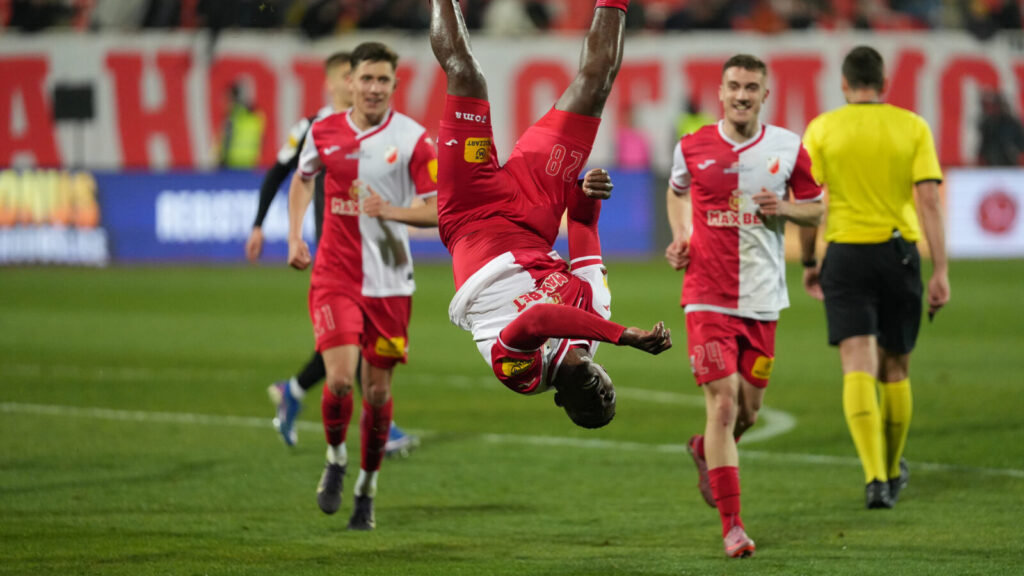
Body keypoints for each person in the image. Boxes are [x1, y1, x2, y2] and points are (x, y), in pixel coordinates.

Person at [430, 0, 671, 432]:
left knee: (467, 77)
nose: (600, 397)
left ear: (563, 402)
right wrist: (590, 192)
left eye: (590, 408)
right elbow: (581, 224)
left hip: (470, 215)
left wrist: (623, 335)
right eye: (609, 398)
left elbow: (539, 319)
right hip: (535, 212)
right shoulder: (596, 306)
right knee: (595, 85)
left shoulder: (523, 375)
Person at [665, 54, 823, 558]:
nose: (741, 95)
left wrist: (789, 209)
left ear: (764, 95)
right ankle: (733, 526)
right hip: (705, 295)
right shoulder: (692, 146)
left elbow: (819, 205)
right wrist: (681, 236)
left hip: (762, 299)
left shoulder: (787, 147)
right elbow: (677, 192)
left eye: (751, 88)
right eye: (733, 86)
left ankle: (702, 450)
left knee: (749, 413)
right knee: (724, 401)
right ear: (720, 91)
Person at [287, 41, 439, 530]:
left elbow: (438, 208)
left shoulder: (415, 140)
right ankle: (335, 458)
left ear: (395, 85)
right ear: (349, 81)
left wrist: (391, 211)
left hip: (391, 282)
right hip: (335, 274)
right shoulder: (324, 131)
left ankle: (366, 490)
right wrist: (294, 235)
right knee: (337, 378)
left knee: (376, 394)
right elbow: (302, 178)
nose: (374, 88)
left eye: (383, 80)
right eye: (366, 79)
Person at [247, 51, 419, 457]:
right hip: (335, 254)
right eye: (352, 77)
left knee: (350, 342)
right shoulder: (314, 128)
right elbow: (281, 173)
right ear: (337, 82)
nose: (361, 85)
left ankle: (293, 391)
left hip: (377, 253)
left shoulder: (386, 132)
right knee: (354, 341)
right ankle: (378, 429)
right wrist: (261, 225)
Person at [800, 45, 950, 509]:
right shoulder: (913, 126)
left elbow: (808, 203)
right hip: (897, 252)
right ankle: (890, 467)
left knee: (857, 365)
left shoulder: (823, 128)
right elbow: (927, 201)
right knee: (896, 367)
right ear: (884, 84)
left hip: (845, 253)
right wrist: (940, 270)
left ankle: (873, 479)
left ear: (844, 85)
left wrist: (809, 261)